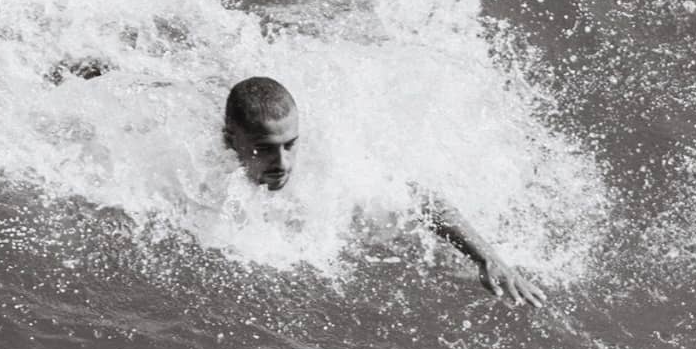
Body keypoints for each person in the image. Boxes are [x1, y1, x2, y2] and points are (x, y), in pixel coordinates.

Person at [220, 76, 547, 305]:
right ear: (231, 141)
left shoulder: (329, 168)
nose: (283, 162)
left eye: (290, 145)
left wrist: (487, 258)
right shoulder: (203, 175)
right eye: (264, 149)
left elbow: (421, 200)